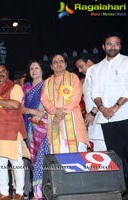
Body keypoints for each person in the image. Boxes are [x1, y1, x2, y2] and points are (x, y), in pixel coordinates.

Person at [0, 64, 30, 200]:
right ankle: (4, 192)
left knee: (16, 162)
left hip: (11, 130)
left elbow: (16, 105)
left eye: (2, 71)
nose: (0, 74)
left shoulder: (14, 87)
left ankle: (20, 192)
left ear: (7, 72)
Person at [91, 32, 128, 192]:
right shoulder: (97, 68)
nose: (113, 46)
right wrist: (102, 108)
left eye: (116, 43)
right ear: (103, 47)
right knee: (116, 157)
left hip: (125, 115)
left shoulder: (126, 62)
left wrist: (115, 107)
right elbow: (95, 92)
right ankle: (123, 188)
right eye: (109, 44)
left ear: (120, 46)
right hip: (106, 118)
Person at [40, 54, 89, 153]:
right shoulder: (47, 82)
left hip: (74, 125)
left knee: (78, 161)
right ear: (51, 66)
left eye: (61, 61)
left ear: (66, 64)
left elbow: (76, 97)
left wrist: (61, 113)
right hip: (55, 125)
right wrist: (55, 112)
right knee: (59, 160)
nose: (59, 64)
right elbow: (44, 99)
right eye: (55, 62)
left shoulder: (73, 77)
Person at [22, 61, 50, 199]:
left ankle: (42, 192)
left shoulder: (47, 85)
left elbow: (52, 104)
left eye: (36, 68)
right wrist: (33, 111)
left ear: (42, 70)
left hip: (44, 128)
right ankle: (38, 191)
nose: (34, 70)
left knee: (42, 158)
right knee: (33, 159)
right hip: (29, 127)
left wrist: (43, 113)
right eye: (31, 68)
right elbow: (20, 108)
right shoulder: (25, 88)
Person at [75, 53, 106, 151]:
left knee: (104, 152)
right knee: (97, 151)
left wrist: (93, 112)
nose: (80, 70)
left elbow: (104, 94)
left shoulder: (100, 72)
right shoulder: (88, 77)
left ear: (88, 62)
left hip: (101, 118)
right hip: (93, 120)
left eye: (81, 66)